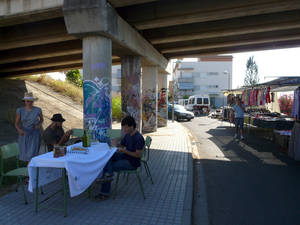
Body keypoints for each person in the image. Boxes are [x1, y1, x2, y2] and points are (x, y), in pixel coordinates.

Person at [94, 116, 145, 200]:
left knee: (109, 166)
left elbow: (137, 155)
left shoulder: (138, 138)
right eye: (123, 127)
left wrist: (124, 151)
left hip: (132, 162)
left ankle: (104, 192)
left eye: (125, 127)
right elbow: (122, 145)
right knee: (107, 157)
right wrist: (116, 143)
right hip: (125, 156)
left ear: (132, 126)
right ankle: (107, 176)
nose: (123, 129)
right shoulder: (128, 135)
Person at [15, 92, 44, 163]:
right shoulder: (20, 110)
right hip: (24, 134)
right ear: (24, 101)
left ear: (32, 101)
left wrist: (38, 125)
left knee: (33, 153)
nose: (29, 102)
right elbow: (16, 123)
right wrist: (19, 130)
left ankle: (31, 170)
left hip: (34, 133)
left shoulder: (38, 110)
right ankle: (27, 170)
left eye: (30, 101)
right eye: (27, 101)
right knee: (25, 153)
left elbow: (42, 119)